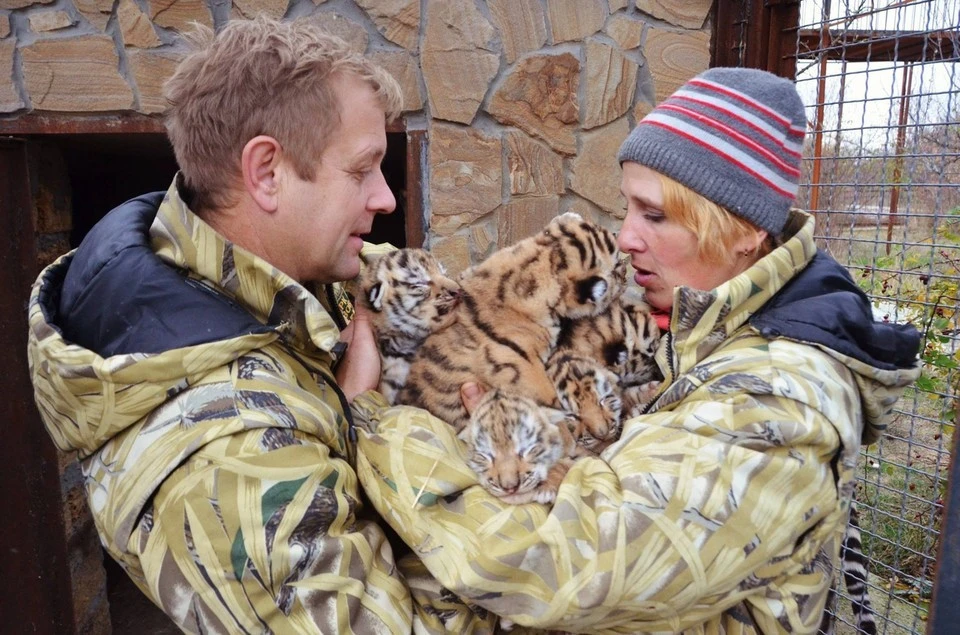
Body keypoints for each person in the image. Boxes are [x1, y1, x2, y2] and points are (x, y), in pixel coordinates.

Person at [353, 68, 922, 633]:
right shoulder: (711, 331)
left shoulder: (777, 400)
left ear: (743, 230)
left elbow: (565, 565)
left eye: (654, 215)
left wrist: (378, 422)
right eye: (627, 208)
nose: (626, 237)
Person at [27, 16, 496, 634]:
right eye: (362, 170)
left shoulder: (290, 281)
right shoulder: (225, 464)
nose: (386, 199)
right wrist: (370, 423)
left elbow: (419, 285)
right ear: (268, 172)